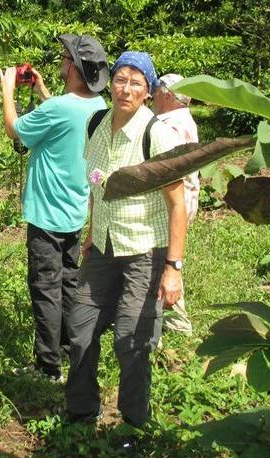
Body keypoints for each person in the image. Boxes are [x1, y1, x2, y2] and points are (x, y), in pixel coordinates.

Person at [65, 52, 187, 430]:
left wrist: (173, 267)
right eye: (121, 79)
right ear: (111, 82)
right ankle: (83, 410)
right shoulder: (96, 123)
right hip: (104, 246)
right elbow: (96, 184)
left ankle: (134, 426)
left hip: (145, 251)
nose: (126, 89)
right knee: (80, 327)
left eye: (136, 83)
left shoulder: (157, 134)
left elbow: (178, 204)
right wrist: (92, 231)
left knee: (132, 340)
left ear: (148, 91)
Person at [0, 34, 109, 383]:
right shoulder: (98, 105)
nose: (60, 61)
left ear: (73, 67)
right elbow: (65, 117)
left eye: (64, 57)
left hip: (46, 213)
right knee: (67, 283)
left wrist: (8, 89)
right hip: (74, 210)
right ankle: (67, 346)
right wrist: (43, 89)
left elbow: (14, 130)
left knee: (45, 287)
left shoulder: (58, 108)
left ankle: (47, 367)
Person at [153, 73, 199, 335]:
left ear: (167, 95)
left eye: (156, 92)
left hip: (172, 203)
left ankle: (174, 321)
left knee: (161, 261)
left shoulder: (167, 125)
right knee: (168, 257)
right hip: (186, 199)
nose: (152, 96)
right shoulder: (185, 120)